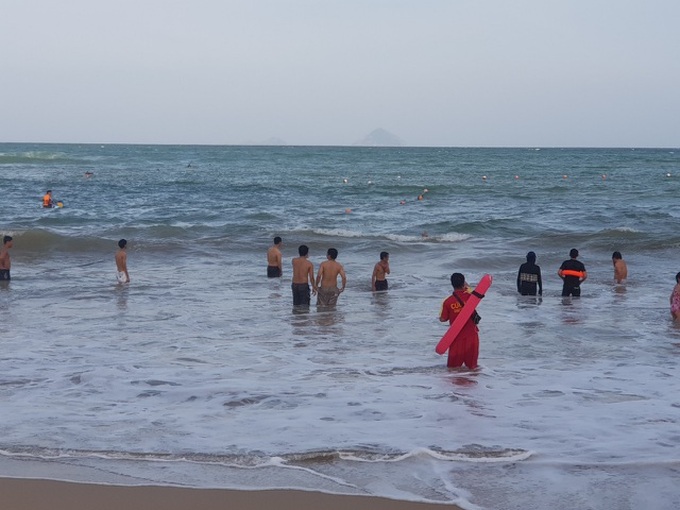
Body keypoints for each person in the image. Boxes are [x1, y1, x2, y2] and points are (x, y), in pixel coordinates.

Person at [439, 273, 479, 369]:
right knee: (472, 368)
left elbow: (443, 319)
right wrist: (466, 287)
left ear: (452, 284)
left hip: (456, 338)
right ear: (464, 283)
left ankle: (454, 384)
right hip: (472, 336)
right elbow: (477, 292)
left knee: (453, 369)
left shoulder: (448, 301)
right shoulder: (472, 297)